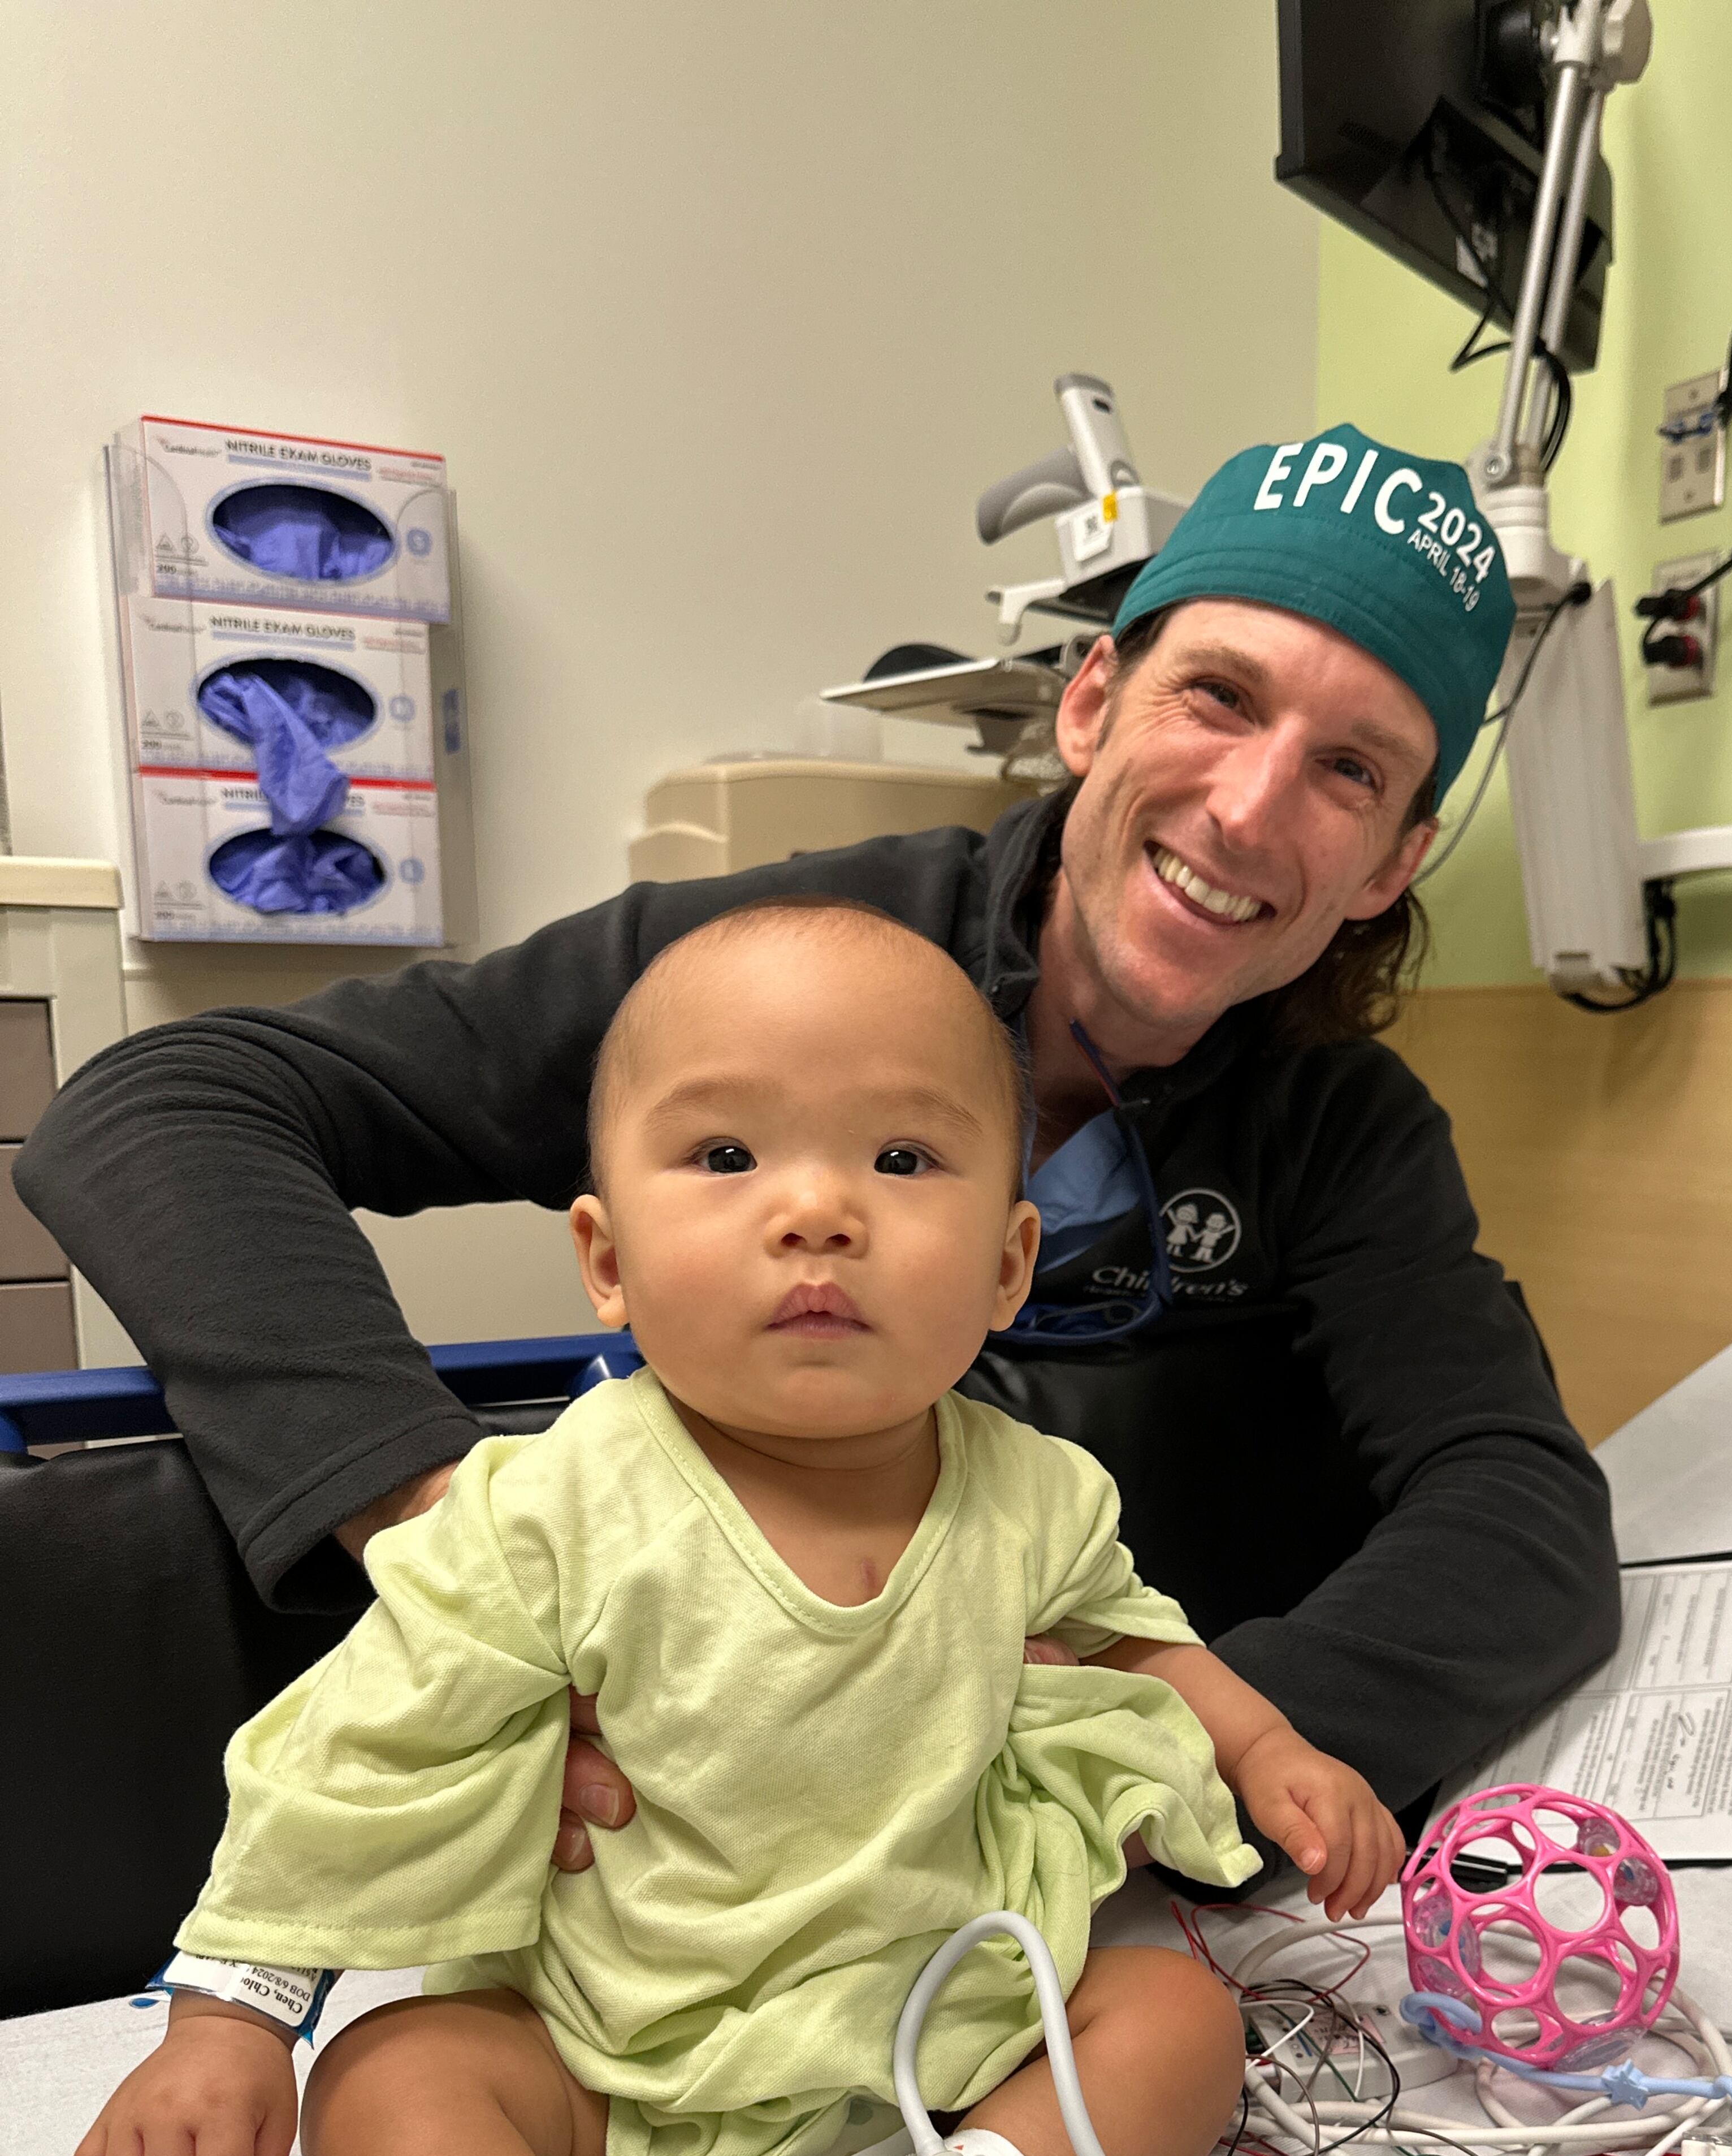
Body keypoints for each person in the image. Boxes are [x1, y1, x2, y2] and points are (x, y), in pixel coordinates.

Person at [15, 422, 1621, 1887]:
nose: (1254, 810)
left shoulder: (1339, 1125)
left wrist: (1167, 1763)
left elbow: (1520, 1517)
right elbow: (166, 1106)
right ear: (1088, 702)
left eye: (1352, 770)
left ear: (1394, 863)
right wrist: (439, 1543)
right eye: (1219, 696)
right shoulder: (782, 965)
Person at [64, 901, 1407, 2156]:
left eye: (902, 1155)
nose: (817, 1208)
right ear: (608, 1260)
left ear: (1005, 1269)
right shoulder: (547, 1513)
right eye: (725, 1152)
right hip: (618, 2065)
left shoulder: (1037, 1498)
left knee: (1177, 2023)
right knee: (396, 2078)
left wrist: (1274, 1747)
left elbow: (1140, 1640)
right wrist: (233, 2012)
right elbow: (359, 1755)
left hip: (939, 2041)